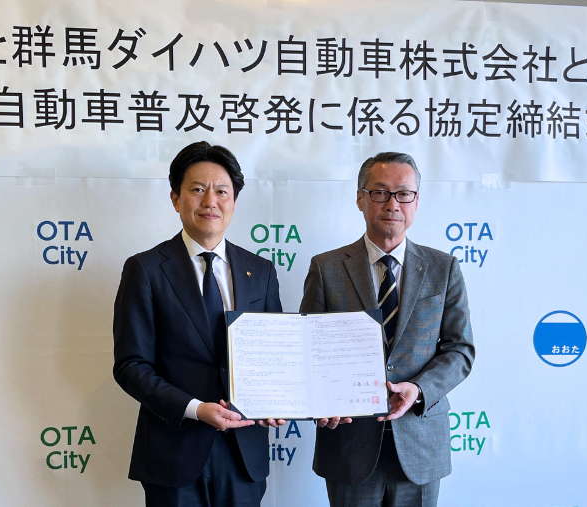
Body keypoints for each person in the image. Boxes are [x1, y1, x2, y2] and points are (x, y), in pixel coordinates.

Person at [113, 141, 284, 507]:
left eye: (222, 191)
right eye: (197, 189)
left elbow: (276, 356)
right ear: (176, 199)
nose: (210, 201)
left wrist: (280, 398)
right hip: (174, 451)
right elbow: (131, 365)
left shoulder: (261, 272)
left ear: (234, 201)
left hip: (244, 453)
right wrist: (195, 408)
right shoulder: (146, 270)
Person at [300, 152, 475, 507]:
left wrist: (419, 389)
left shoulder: (444, 268)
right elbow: (307, 351)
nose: (393, 204)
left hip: (420, 441)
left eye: (404, 194)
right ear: (360, 198)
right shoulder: (326, 268)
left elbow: (460, 350)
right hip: (348, 443)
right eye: (380, 192)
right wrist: (321, 402)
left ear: (416, 201)